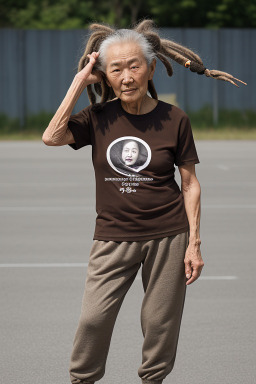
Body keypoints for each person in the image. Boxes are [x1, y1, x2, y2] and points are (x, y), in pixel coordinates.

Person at [42, 19, 246, 384]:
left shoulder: (175, 119)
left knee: (159, 324)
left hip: (168, 236)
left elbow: (189, 184)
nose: (126, 76)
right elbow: (51, 137)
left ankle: (153, 380)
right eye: (115, 69)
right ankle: (82, 379)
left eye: (134, 66)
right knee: (93, 319)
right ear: (104, 75)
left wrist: (194, 243)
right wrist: (80, 81)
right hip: (112, 237)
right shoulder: (97, 118)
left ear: (152, 68)